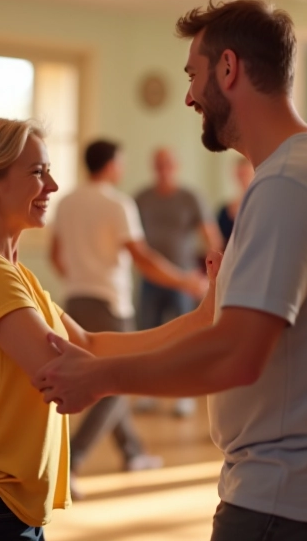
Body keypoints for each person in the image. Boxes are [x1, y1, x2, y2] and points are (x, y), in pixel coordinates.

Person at [34, 0, 307, 541]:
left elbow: (237, 354)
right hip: (305, 487)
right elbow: (212, 325)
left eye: (193, 75)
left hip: (286, 497)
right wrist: (97, 346)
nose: (188, 96)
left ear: (228, 69)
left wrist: (103, 380)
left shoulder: (288, 184)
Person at [0, 118, 220, 540]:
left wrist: (200, 318)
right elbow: (64, 375)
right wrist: (194, 372)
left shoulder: (14, 274)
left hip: (5, 503)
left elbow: (90, 343)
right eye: (38, 173)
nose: (54, 186)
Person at [50, 140, 207, 497]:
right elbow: (143, 258)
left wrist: (79, 278)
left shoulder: (67, 202)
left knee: (113, 383)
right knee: (117, 385)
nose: (123, 168)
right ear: (110, 166)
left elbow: (56, 254)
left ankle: (132, 452)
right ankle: (70, 463)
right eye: (121, 163)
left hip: (74, 303)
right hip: (109, 306)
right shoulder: (118, 204)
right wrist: (185, 279)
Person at [134, 147, 222, 417]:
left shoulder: (189, 197)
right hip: (150, 278)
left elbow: (211, 235)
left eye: (168, 164)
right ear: (153, 166)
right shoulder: (141, 198)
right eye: (159, 164)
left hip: (184, 280)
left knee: (185, 339)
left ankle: (184, 395)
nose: (163, 169)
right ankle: (149, 393)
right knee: (148, 337)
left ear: (176, 166)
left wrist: (212, 273)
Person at [216, 156, 255, 244]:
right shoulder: (224, 210)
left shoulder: (262, 206)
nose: (243, 178)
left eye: (246, 173)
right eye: (240, 174)